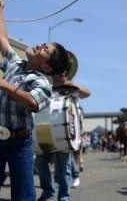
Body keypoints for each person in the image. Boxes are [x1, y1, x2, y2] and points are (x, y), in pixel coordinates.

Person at [0, 0, 69, 201]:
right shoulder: (14, 63)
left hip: (19, 143)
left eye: (45, 49)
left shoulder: (42, 82)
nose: (40, 46)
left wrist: (8, 87)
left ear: (46, 67)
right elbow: (1, 37)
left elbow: (33, 104)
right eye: (44, 44)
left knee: (24, 195)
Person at [36, 73, 90, 201]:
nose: (62, 74)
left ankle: (64, 196)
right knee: (41, 165)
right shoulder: (44, 83)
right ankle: (47, 192)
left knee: (64, 168)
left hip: (63, 131)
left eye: (64, 72)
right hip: (41, 127)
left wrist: (71, 84)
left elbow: (86, 93)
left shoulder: (70, 87)